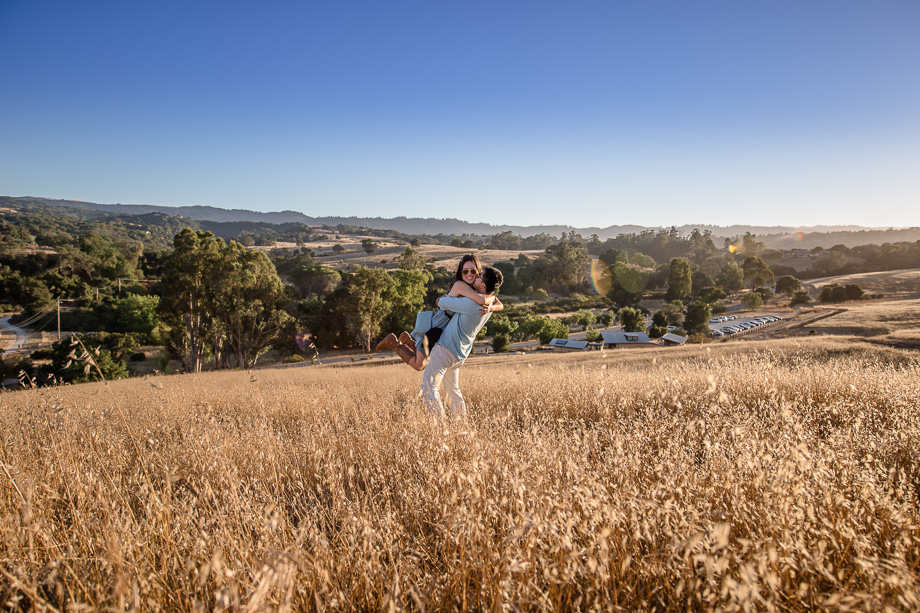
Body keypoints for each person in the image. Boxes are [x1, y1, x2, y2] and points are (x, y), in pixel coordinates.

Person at [376, 255, 502, 370]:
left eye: (473, 271)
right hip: (439, 324)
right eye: (465, 271)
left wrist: (492, 305)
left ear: (478, 272)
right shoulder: (461, 285)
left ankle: (408, 342)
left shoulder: (472, 288)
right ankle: (393, 343)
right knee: (419, 365)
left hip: (444, 327)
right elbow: (482, 300)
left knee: (426, 358)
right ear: (461, 273)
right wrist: (492, 300)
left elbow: (498, 303)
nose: (469, 274)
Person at [420, 266, 503, 419]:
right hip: (460, 354)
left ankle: (439, 427)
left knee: (428, 389)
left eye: (480, 275)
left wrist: (448, 296)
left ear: (483, 285)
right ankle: (460, 425)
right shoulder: (488, 307)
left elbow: (442, 302)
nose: (476, 275)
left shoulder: (471, 304)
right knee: (453, 391)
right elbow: (495, 300)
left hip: (445, 349)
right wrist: (490, 299)